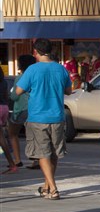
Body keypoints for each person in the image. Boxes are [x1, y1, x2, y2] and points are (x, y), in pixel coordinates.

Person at [13, 40, 73, 200]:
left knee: (42, 153)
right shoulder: (61, 69)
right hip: (57, 116)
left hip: (38, 117)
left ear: (35, 52)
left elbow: (18, 91)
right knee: (53, 154)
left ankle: (53, 189)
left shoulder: (32, 69)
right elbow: (69, 90)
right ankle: (46, 186)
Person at [6, 55, 34, 172]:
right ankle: (36, 160)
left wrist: (9, 95)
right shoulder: (35, 76)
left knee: (12, 133)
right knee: (33, 135)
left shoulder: (20, 78)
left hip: (21, 110)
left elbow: (14, 96)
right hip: (34, 109)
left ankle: (17, 160)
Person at [0, 68, 15, 173]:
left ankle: (12, 164)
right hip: (4, 108)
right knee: (2, 139)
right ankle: (12, 164)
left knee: (2, 139)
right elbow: (6, 96)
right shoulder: (4, 82)